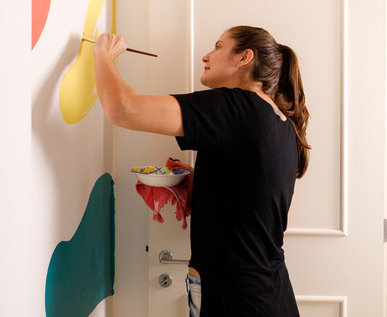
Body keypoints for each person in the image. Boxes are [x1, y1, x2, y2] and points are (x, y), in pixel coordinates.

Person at [93, 25, 311, 317]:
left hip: (234, 299)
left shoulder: (235, 106)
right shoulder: (283, 124)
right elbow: (270, 218)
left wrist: (103, 54)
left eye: (218, 47)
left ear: (244, 57)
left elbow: (122, 108)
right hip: (272, 294)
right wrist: (201, 185)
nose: (207, 56)